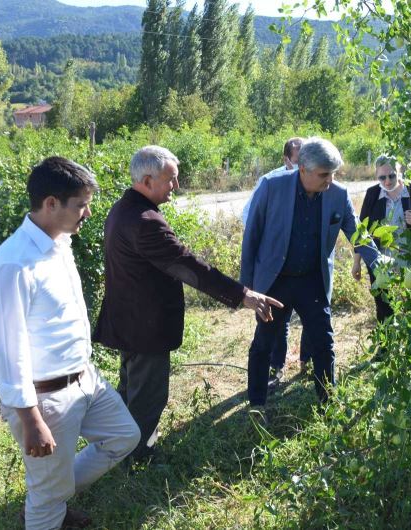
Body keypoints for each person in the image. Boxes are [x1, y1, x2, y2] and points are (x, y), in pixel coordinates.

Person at [93, 145, 281, 462]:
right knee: (147, 397)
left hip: (129, 320)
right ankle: (136, 461)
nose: (176, 187)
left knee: (130, 391)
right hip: (144, 326)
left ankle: (119, 449)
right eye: (171, 180)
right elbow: (189, 266)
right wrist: (244, 295)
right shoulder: (144, 220)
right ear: (148, 180)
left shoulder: (124, 208)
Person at [0, 157, 141, 529]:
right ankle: (48, 504)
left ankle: (54, 493)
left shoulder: (60, 242)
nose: (87, 212)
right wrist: (30, 416)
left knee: (124, 436)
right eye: (81, 204)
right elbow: (9, 350)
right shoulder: (12, 265)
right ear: (51, 204)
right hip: (46, 398)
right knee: (46, 498)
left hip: (86, 380)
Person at [241, 137, 383, 409]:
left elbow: (357, 233)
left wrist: (379, 263)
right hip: (276, 281)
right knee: (264, 343)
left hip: (312, 281)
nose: (329, 180)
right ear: (302, 169)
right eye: (323, 174)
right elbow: (252, 235)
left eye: (332, 174)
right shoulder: (272, 187)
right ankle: (257, 404)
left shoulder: (338, 195)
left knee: (323, 343)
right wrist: (247, 288)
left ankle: (327, 403)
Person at [242, 137, 312, 388]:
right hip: (275, 271)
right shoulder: (270, 183)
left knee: (312, 321)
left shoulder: (316, 185)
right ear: (287, 160)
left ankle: (307, 361)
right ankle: (277, 367)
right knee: (276, 323)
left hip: (305, 272)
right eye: (299, 160)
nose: (306, 166)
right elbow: (249, 217)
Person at [353, 154, 411, 322]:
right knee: (384, 307)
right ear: (377, 176)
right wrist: (356, 262)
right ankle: (387, 345)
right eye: (382, 177)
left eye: (392, 175)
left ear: (400, 171)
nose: (387, 181)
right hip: (381, 262)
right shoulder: (373, 194)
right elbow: (362, 230)